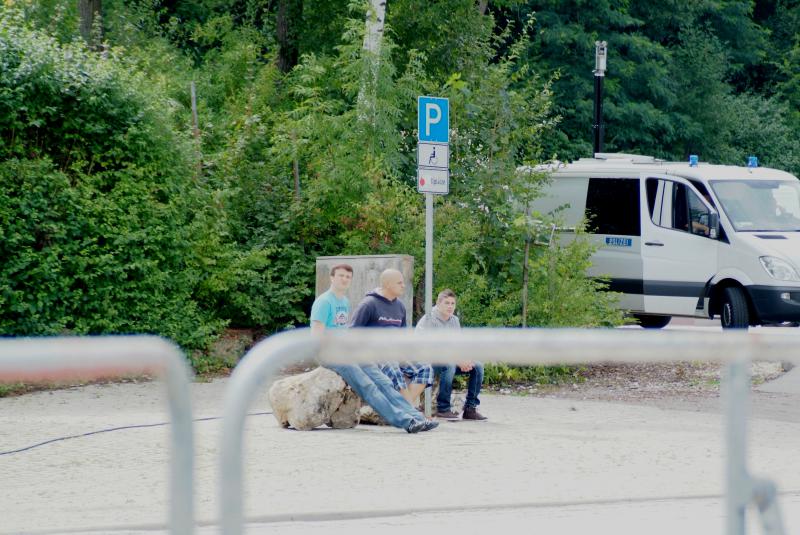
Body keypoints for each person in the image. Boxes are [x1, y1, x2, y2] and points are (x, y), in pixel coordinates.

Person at [311, 263, 438, 434]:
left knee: (384, 382)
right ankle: (406, 421)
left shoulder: (343, 301)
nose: (344, 279)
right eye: (341, 276)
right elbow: (316, 336)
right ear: (332, 278)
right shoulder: (324, 302)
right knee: (367, 386)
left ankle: (417, 417)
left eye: (348, 277)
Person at [350, 269, 434, 406]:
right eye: (399, 283)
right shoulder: (368, 304)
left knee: (425, 368)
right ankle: (411, 413)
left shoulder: (400, 306)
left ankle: (404, 407)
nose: (403, 286)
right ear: (388, 284)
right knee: (394, 369)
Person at [416, 289, 487, 421]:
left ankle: (470, 408)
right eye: (447, 303)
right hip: (426, 362)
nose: (450, 306)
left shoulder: (454, 321)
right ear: (438, 303)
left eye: (452, 303)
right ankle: (443, 408)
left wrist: (466, 359)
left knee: (477, 366)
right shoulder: (429, 319)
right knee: (449, 365)